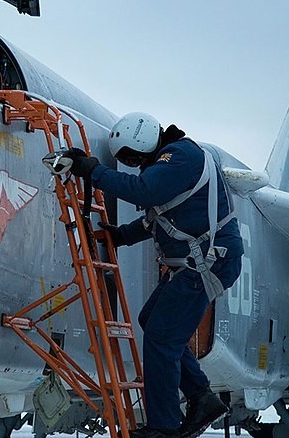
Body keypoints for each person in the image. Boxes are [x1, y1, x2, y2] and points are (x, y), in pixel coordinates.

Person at [65, 112, 244, 438]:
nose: (133, 164)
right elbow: (157, 219)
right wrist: (121, 235)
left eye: (132, 157)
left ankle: (164, 427)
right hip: (193, 264)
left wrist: (93, 171)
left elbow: (143, 192)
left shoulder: (181, 157)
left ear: (145, 143)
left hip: (204, 264)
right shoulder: (173, 162)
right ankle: (201, 397)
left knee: (162, 337)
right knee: (152, 321)